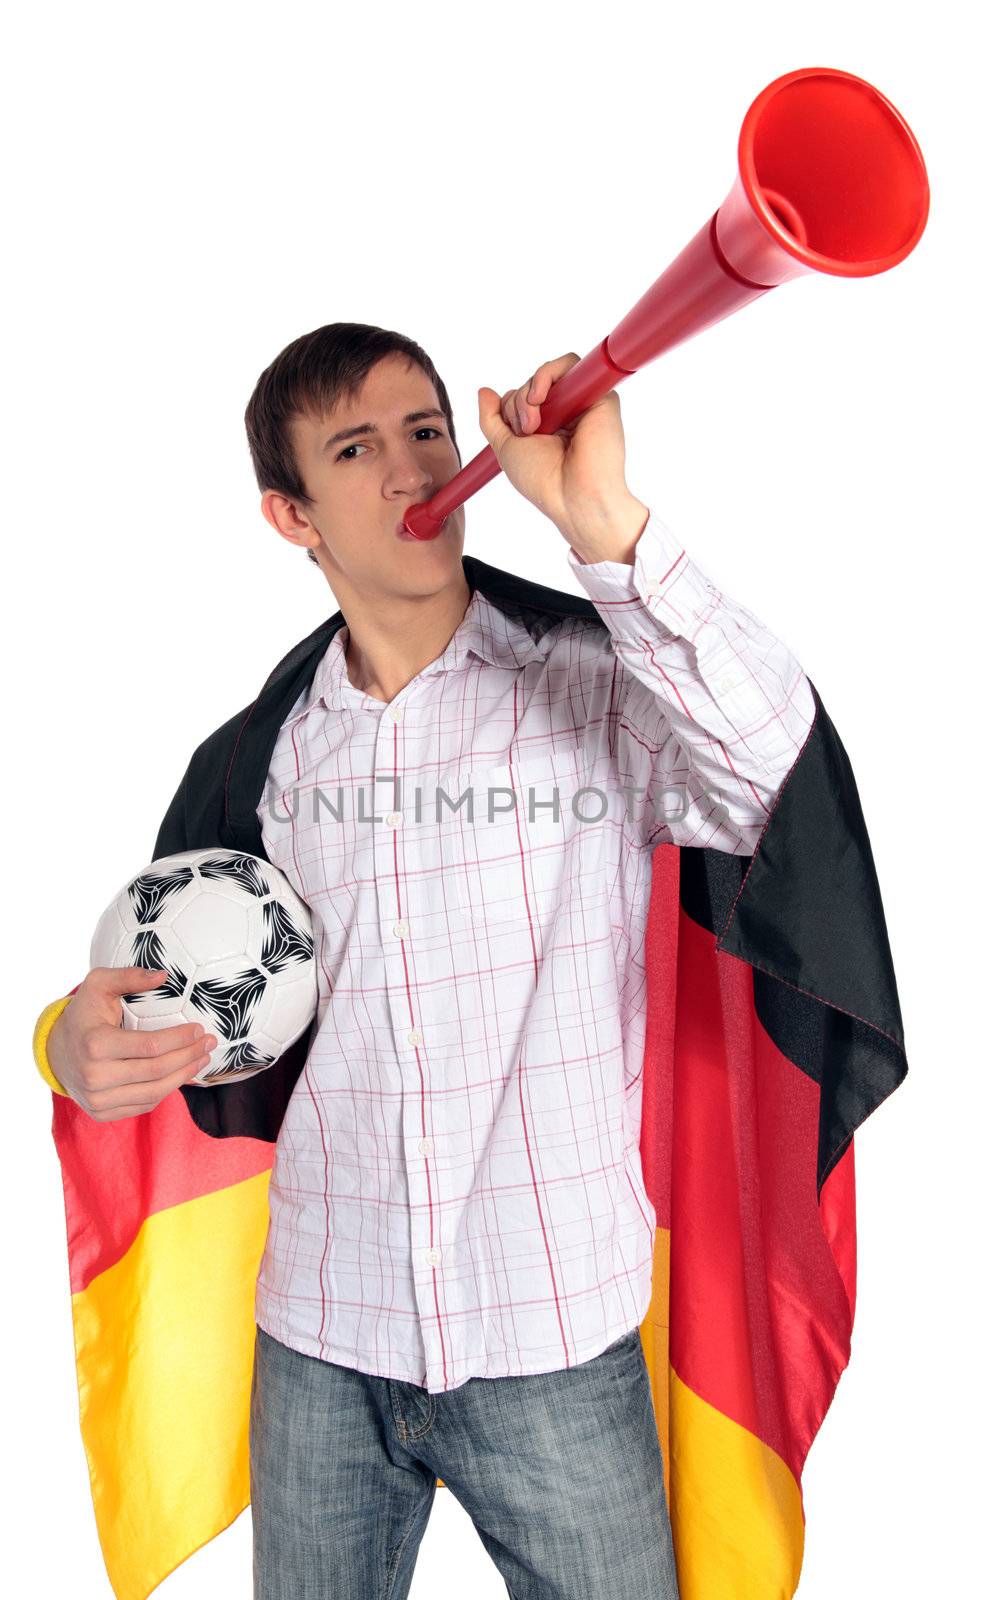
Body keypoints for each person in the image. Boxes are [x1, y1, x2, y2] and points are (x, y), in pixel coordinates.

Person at [40, 321, 816, 1599]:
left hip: (554, 1339)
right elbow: (163, 995)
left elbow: (776, 776)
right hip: (319, 1340)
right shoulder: (265, 762)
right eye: (357, 449)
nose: (410, 472)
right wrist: (68, 1042)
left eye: (426, 435)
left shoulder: (602, 684)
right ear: (293, 517)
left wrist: (606, 520)